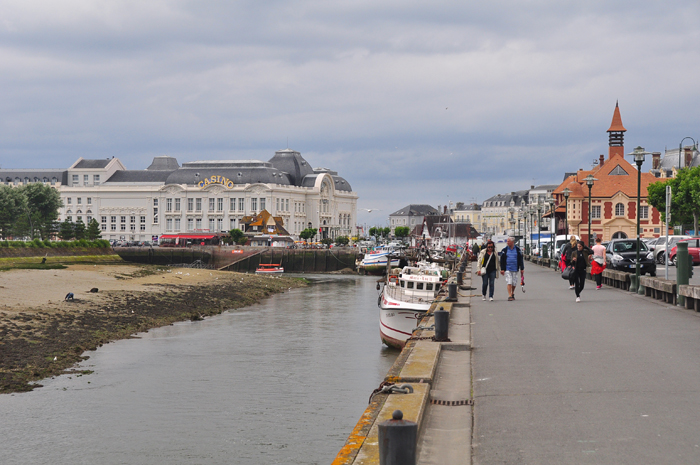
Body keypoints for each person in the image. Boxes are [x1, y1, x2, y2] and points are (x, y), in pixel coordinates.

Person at [499, 237, 524, 301]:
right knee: (509, 281)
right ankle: (510, 295)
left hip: (515, 268)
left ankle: (512, 292)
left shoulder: (517, 250)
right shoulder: (505, 250)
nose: (507, 242)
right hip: (508, 268)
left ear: (512, 242)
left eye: (508, 241)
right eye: (507, 241)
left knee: (514, 282)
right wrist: (502, 269)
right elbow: (502, 260)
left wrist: (522, 268)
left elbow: (521, 259)